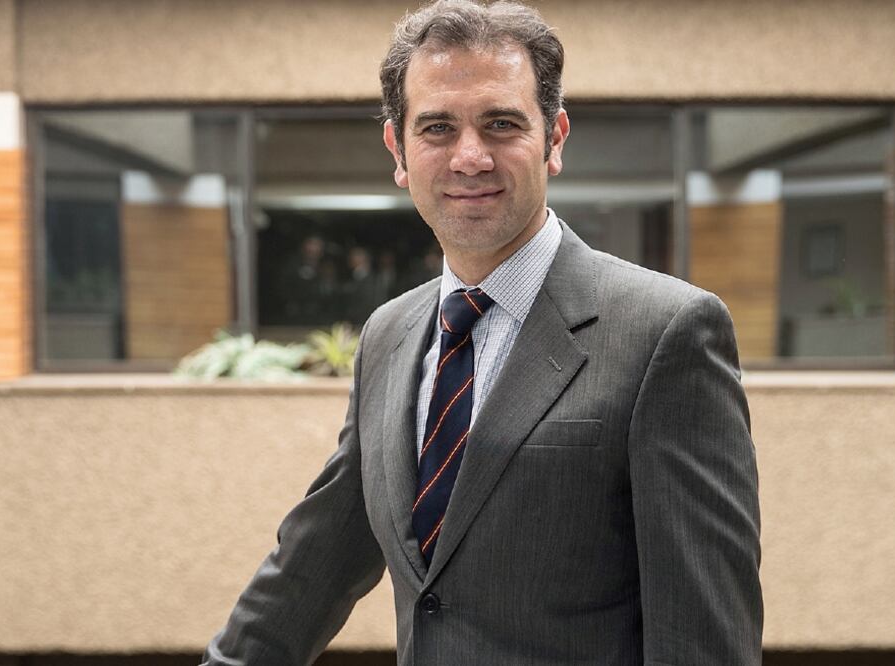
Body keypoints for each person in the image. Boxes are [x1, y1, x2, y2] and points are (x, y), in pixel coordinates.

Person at [203, 1, 762, 664]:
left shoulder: (667, 335)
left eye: (501, 124)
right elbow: (315, 561)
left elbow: (705, 639)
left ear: (554, 138)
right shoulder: (389, 335)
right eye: (437, 127)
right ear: (399, 149)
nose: (470, 157)